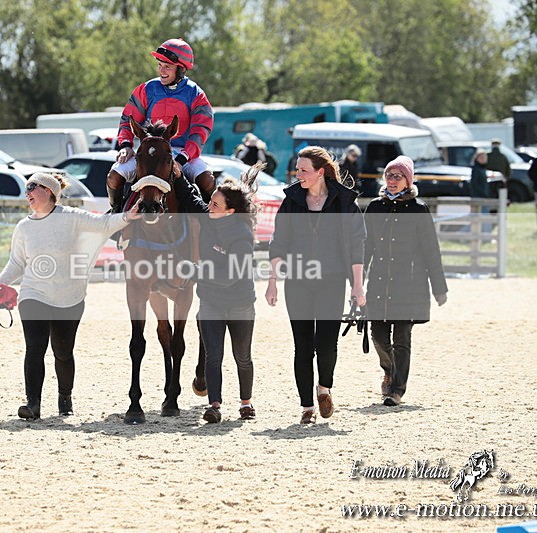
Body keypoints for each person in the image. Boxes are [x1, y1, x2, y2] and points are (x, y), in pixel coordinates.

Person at [0, 172, 140, 420]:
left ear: (49, 191)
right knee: (34, 349)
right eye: (26, 188)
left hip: (69, 297)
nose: (27, 192)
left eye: (32, 187)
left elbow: (103, 225)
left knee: (63, 351)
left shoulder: (72, 217)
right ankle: (33, 404)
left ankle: (65, 397)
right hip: (33, 294)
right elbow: (16, 263)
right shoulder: (24, 227)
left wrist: (127, 216)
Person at [266, 146, 366, 424]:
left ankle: (324, 388)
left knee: (326, 343)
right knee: (302, 345)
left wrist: (358, 286)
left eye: (303, 171)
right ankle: (307, 407)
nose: (298, 175)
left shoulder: (344, 202)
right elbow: (278, 243)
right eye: (297, 170)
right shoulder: (291, 201)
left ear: (320, 172)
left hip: (332, 281)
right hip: (297, 281)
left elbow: (357, 245)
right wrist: (272, 281)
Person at [172, 168, 258, 424]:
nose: (209, 205)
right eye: (211, 201)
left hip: (240, 303)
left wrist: (195, 271)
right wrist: (178, 176)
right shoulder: (210, 218)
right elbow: (190, 199)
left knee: (242, 357)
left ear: (230, 211)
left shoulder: (243, 236)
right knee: (213, 356)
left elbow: (229, 276)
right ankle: (214, 406)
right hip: (210, 301)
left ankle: (246, 403)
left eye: (215, 203)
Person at [363, 156, 448, 407]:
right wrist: (355, 280)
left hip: (410, 283)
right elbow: (365, 247)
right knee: (377, 334)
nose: (392, 181)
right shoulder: (375, 207)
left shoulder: (419, 209)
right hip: (379, 281)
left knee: (402, 338)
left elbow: (431, 250)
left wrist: (439, 288)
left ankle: (396, 389)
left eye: (397, 177)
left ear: (408, 181)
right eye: (389, 176)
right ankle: (390, 369)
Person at [107, 38, 215, 210]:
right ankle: (116, 213)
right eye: (159, 65)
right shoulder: (146, 89)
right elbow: (128, 118)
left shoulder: (196, 94)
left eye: (167, 67)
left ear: (180, 69)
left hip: (183, 154)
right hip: (149, 153)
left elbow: (201, 130)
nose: (162, 71)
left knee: (207, 179)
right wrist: (126, 145)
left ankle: (213, 222)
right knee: (114, 176)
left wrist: (181, 159)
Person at [470, 149, 491, 233]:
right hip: (479, 197)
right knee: (482, 217)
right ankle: (485, 235)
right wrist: (482, 194)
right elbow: (474, 184)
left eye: (485, 157)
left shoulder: (483, 168)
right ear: (477, 158)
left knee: (483, 217)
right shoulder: (476, 169)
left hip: (483, 197)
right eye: (481, 157)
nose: (484, 159)